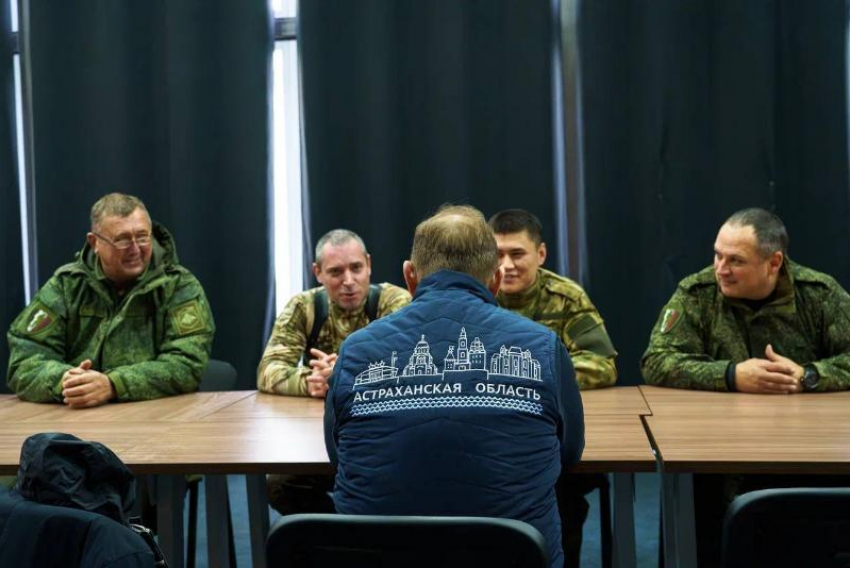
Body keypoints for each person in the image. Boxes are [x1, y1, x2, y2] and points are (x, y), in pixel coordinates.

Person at [325, 205, 584, 567]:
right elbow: (569, 452)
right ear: (495, 279)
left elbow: (339, 457)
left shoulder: (355, 350)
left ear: (409, 277)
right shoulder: (542, 345)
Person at [641, 207, 850, 566]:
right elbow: (656, 361)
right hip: (716, 453)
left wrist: (810, 376)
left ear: (773, 262)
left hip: (804, 452)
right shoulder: (698, 293)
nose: (721, 269)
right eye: (717, 255)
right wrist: (731, 376)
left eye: (735, 260)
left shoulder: (818, 294)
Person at [489, 208, 617, 567]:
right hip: (487, 430)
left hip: (549, 433)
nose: (507, 265)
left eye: (517, 254)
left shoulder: (565, 297)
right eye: (497, 255)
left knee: (563, 498)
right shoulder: (474, 296)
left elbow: (601, 363)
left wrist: (527, 378)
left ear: (541, 254)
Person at [7, 193, 215, 406]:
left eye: (143, 237)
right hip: (75, 418)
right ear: (95, 242)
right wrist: (68, 382)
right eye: (122, 240)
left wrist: (113, 384)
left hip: (154, 416)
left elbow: (187, 364)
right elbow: (24, 361)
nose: (135, 249)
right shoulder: (66, 286)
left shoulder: (178, 286)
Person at [258, 228, 410, 515]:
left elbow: (406, 364)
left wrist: (340, 374)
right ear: (318, 272)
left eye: (356, 268)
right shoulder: (304, 307)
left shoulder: (395, 302)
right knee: (279, 485)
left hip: (384, 436)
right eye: (336, 272)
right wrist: (310, 382)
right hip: (322, 438)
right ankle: (333, 537)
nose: (348, 281)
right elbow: (269, 369)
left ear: (369, 264)